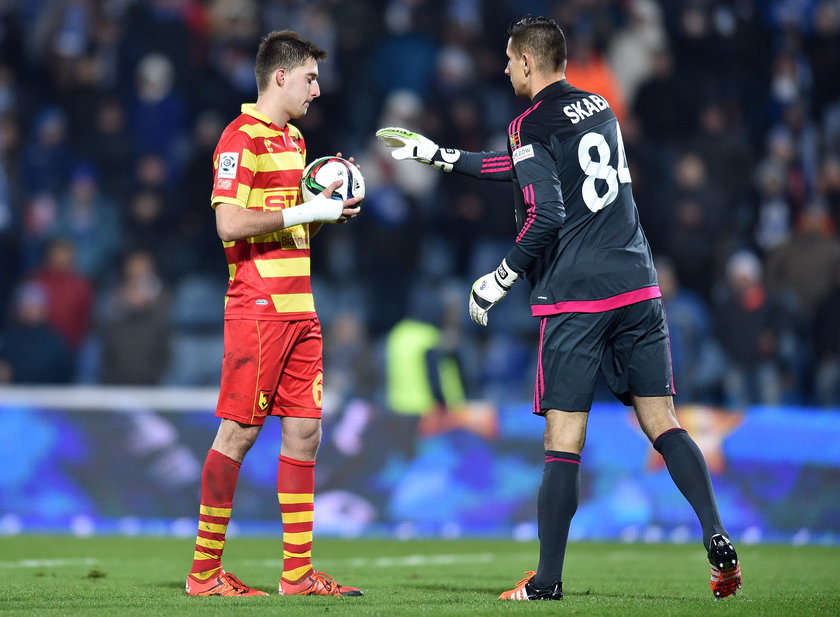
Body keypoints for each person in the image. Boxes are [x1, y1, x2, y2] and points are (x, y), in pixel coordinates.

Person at [377, 15, 741, 601]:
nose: (502, 68)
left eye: (507, 59)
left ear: (526, 61)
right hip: (638, 283)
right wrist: (443, 156)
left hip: (576, 294)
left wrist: (499, 277)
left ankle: (546, 582)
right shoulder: (598, 105)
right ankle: (717, 536)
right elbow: (535, 170)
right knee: (662, 420)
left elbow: (544, 211)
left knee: (563, 439)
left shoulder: (527, 122)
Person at [185, 30, 362, 598]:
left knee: (306, 433)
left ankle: (297, 575)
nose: (317, 88)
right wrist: (304, 209)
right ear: (280, 76)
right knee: (237, 434)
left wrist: (329, 202)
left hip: (301, 310)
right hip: (258, 309)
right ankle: (203, 575)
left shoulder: (295, 142)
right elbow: (230, 224)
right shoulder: (240, 139)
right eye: (310, 78)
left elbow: (294, 220)